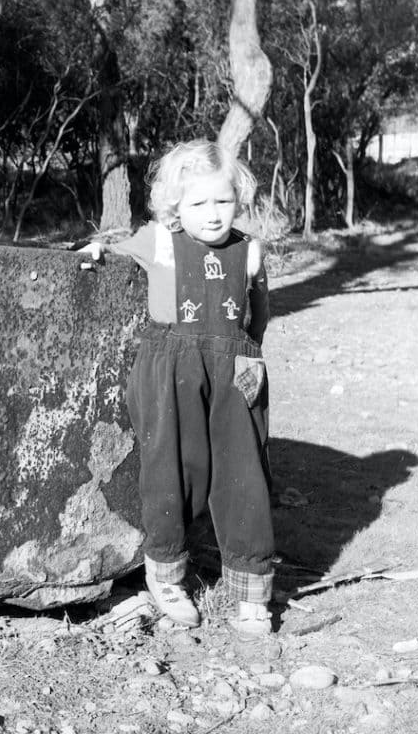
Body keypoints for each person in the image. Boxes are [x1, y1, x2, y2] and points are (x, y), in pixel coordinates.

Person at [82, 139, 274, 637]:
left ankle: (251, 588)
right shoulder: (159, 241)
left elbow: (260, 316)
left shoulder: (249, 251)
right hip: (170, 366)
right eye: (197, 203)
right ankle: (167, 574)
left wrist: (249, 362)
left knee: (243, 473)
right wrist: (96, 248)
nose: (212, 214)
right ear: (174, 205)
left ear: (239, 199)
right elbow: (113, 250)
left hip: (234, 369)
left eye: (222, 201)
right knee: (170, 466)